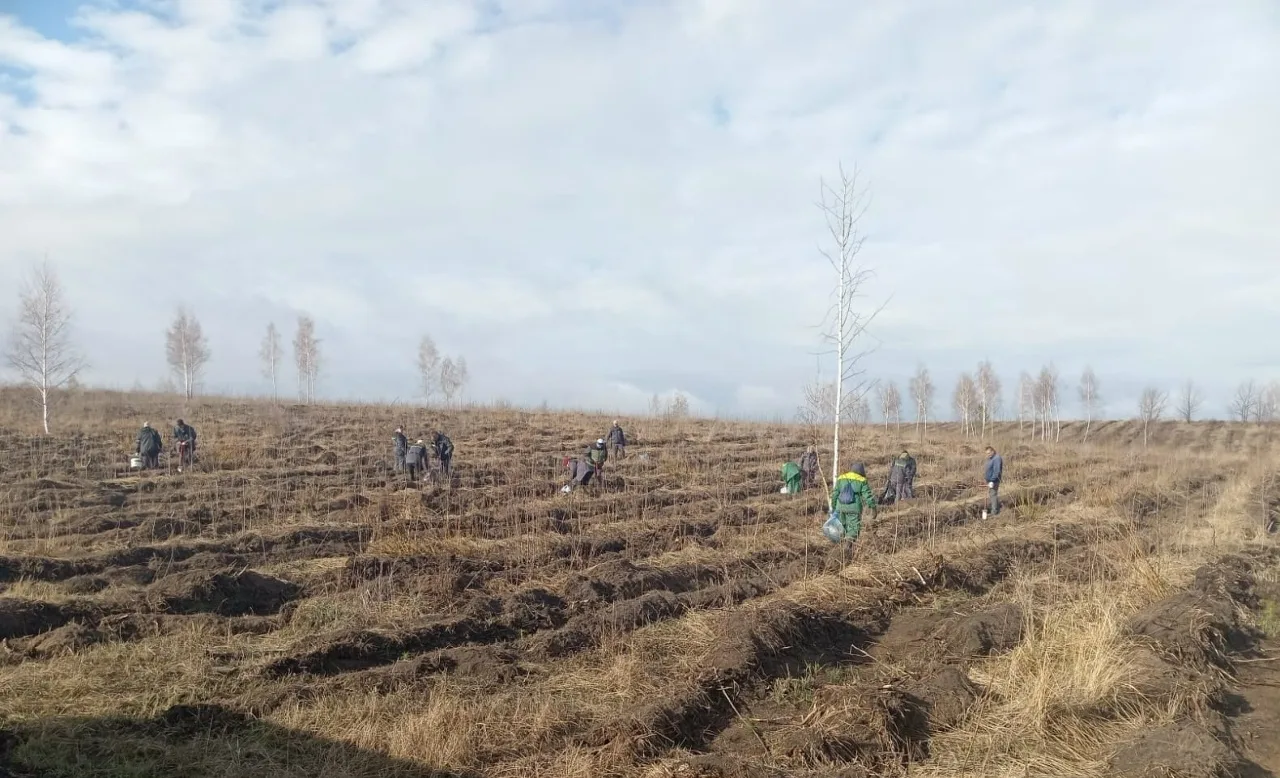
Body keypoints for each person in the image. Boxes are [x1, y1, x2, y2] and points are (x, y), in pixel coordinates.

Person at [830, 462, 877, 541]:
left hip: (840, 507)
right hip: (854, 509)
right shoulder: (862, 480)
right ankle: (848, 548)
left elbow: (835, 494)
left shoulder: (841, 477)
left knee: (841, 528)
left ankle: (840, 548)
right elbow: (867, 496)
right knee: (853, 530)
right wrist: (873, 507)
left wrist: (834, 506)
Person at [984, 446, 1003, 517]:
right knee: (992, 495)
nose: (988, 455)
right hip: (990, 481)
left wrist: (992, 480)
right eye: (987, 453)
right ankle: (996, 509)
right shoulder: (991, 458)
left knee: (993, 495)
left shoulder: (997, 458)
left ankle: (994, 512)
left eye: (989, 453)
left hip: (994, 481)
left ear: (993, 451)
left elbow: (997, 471)